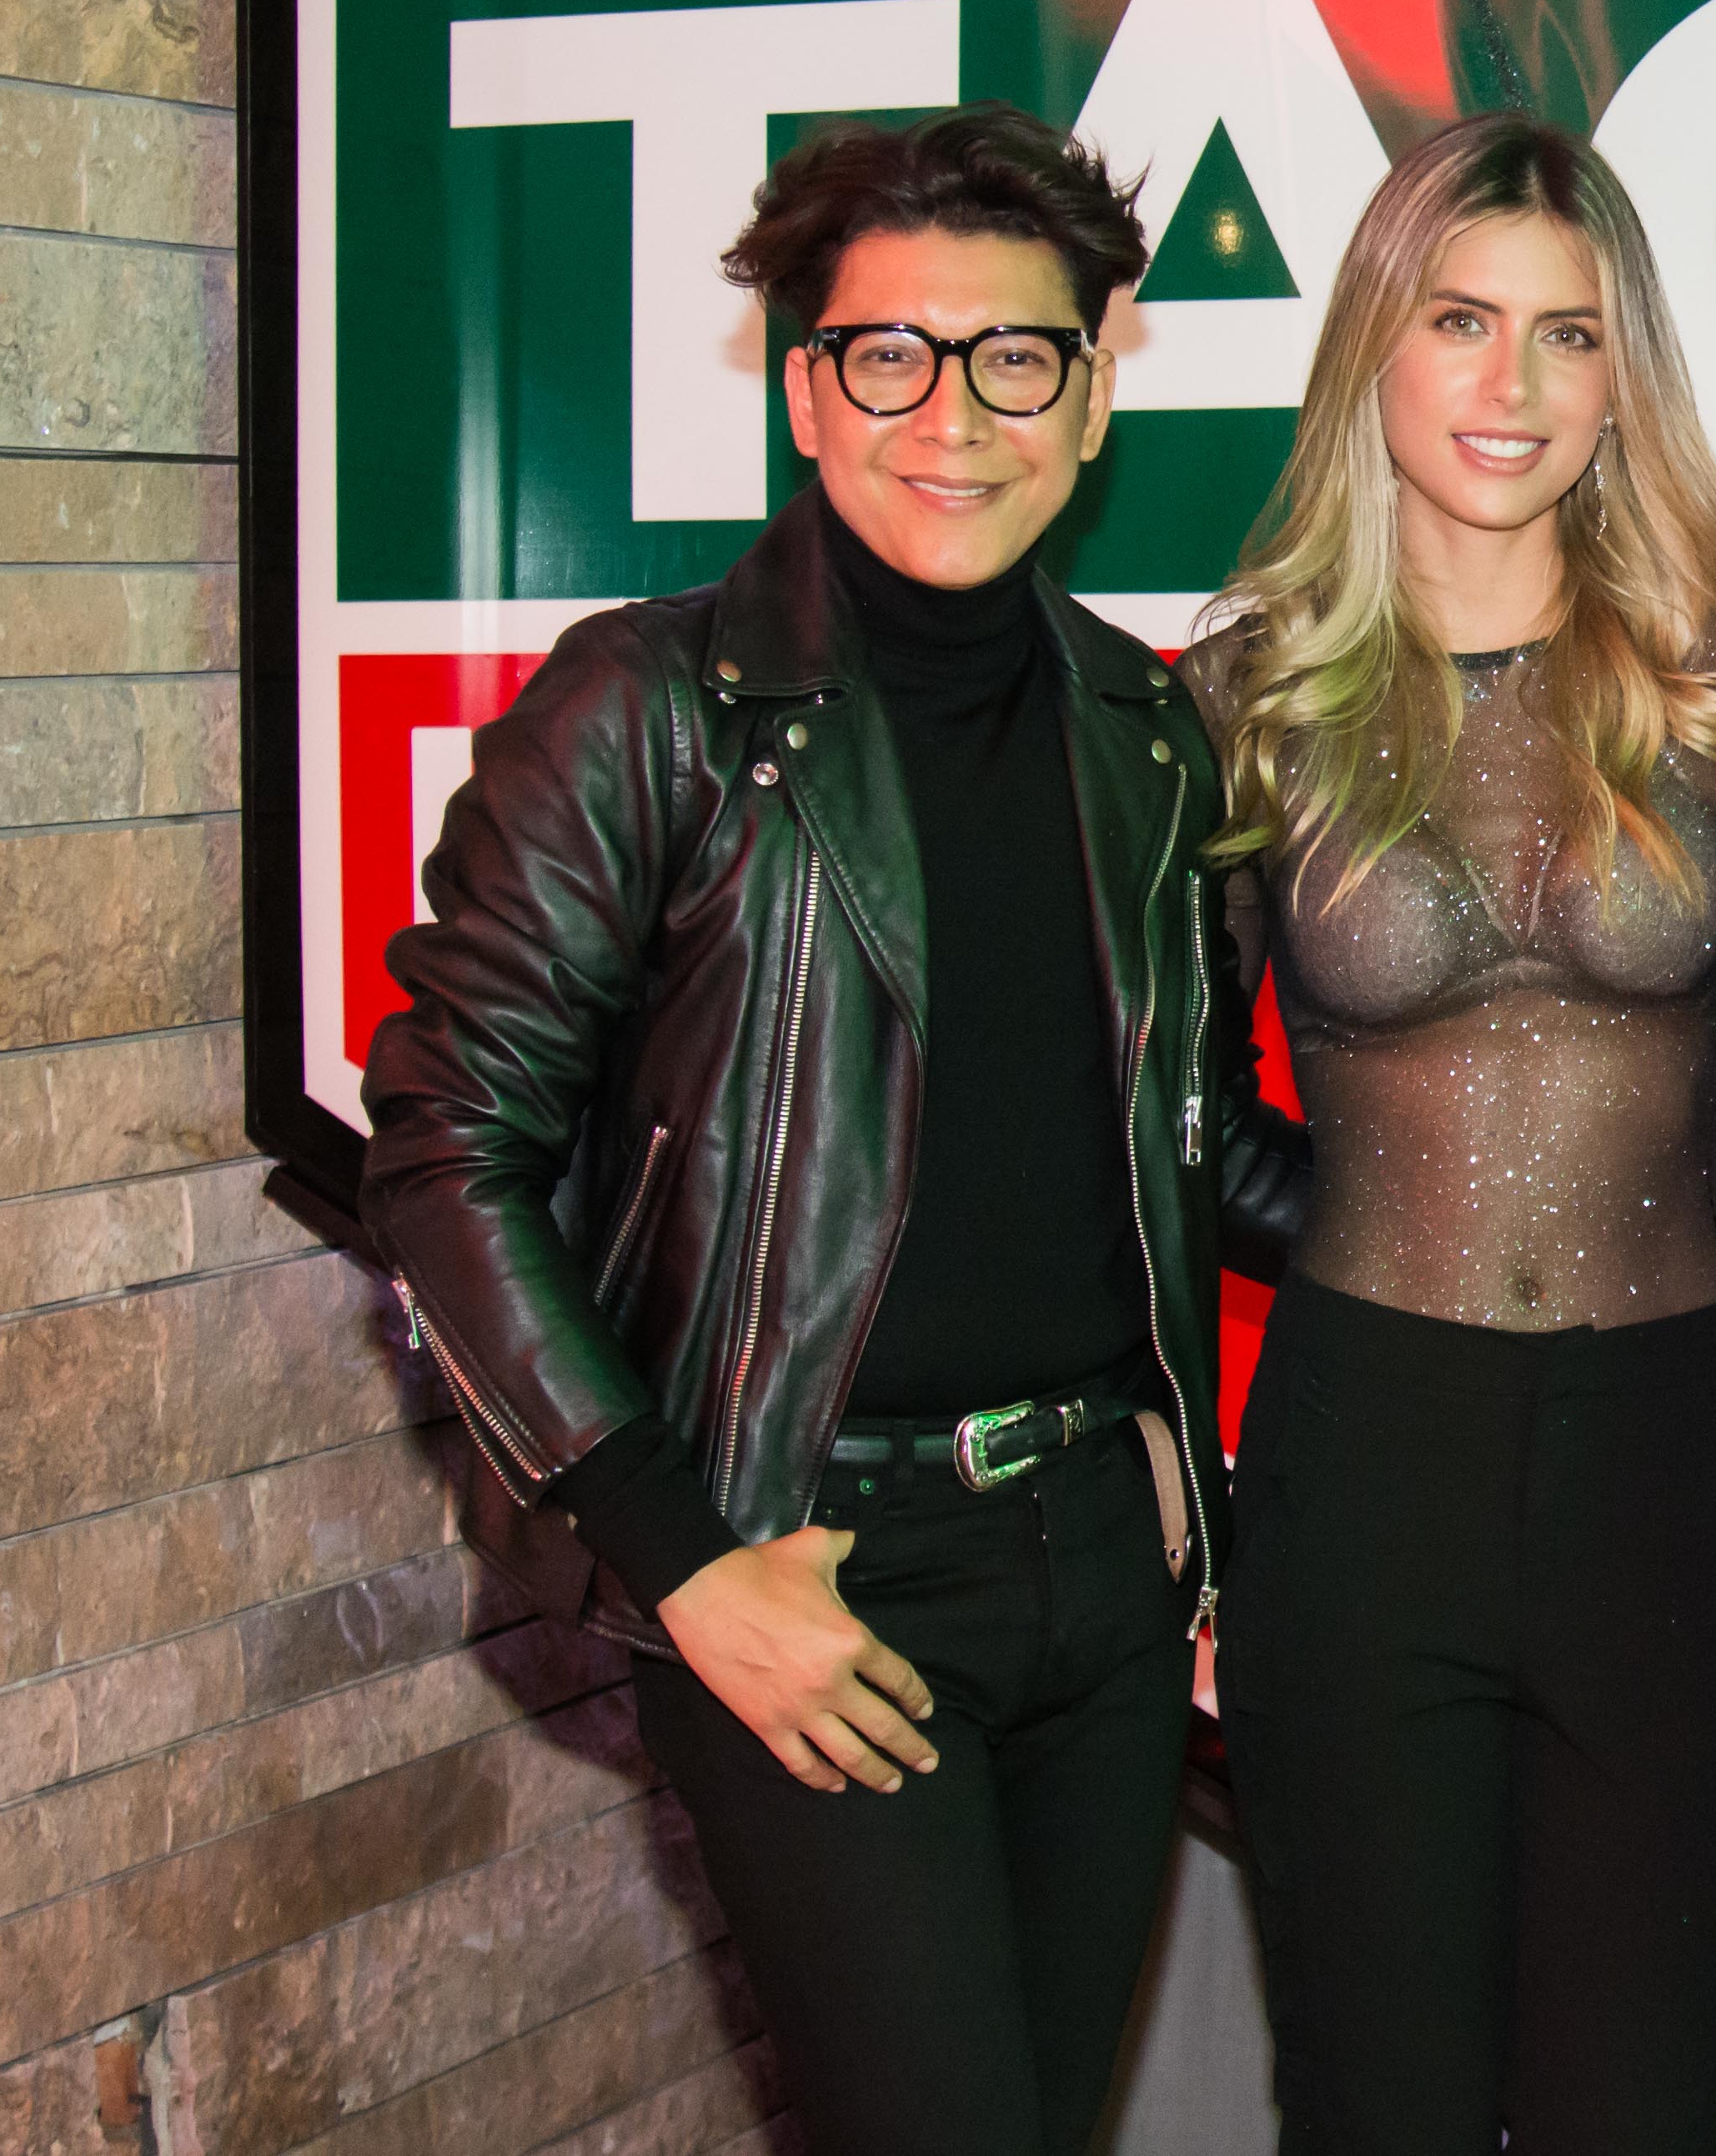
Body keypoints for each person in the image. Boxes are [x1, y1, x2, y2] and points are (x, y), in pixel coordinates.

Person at [360, 104, 1297, 2156]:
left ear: (1091, 395)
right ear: (806, 393)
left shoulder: (1146, 734)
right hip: (810, 1568)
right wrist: (686, 1567)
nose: (952, 415)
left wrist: (1564, 1227)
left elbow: (1197, 1144)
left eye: (1015, 357)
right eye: (891, 356)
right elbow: (440, 1145)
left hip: (1106, 1568)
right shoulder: (640, 712)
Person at [1180, 113, 1716, 2155]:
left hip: (1671, 1461)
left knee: (1654, 2098)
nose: (1511, 384)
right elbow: (1171, 1119)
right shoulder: (1247, 694)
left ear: (1625, 375)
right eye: (1458, 320)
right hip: (1369, 1463)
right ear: (1374, 342)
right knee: (1379, 2104)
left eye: (1567, 332)